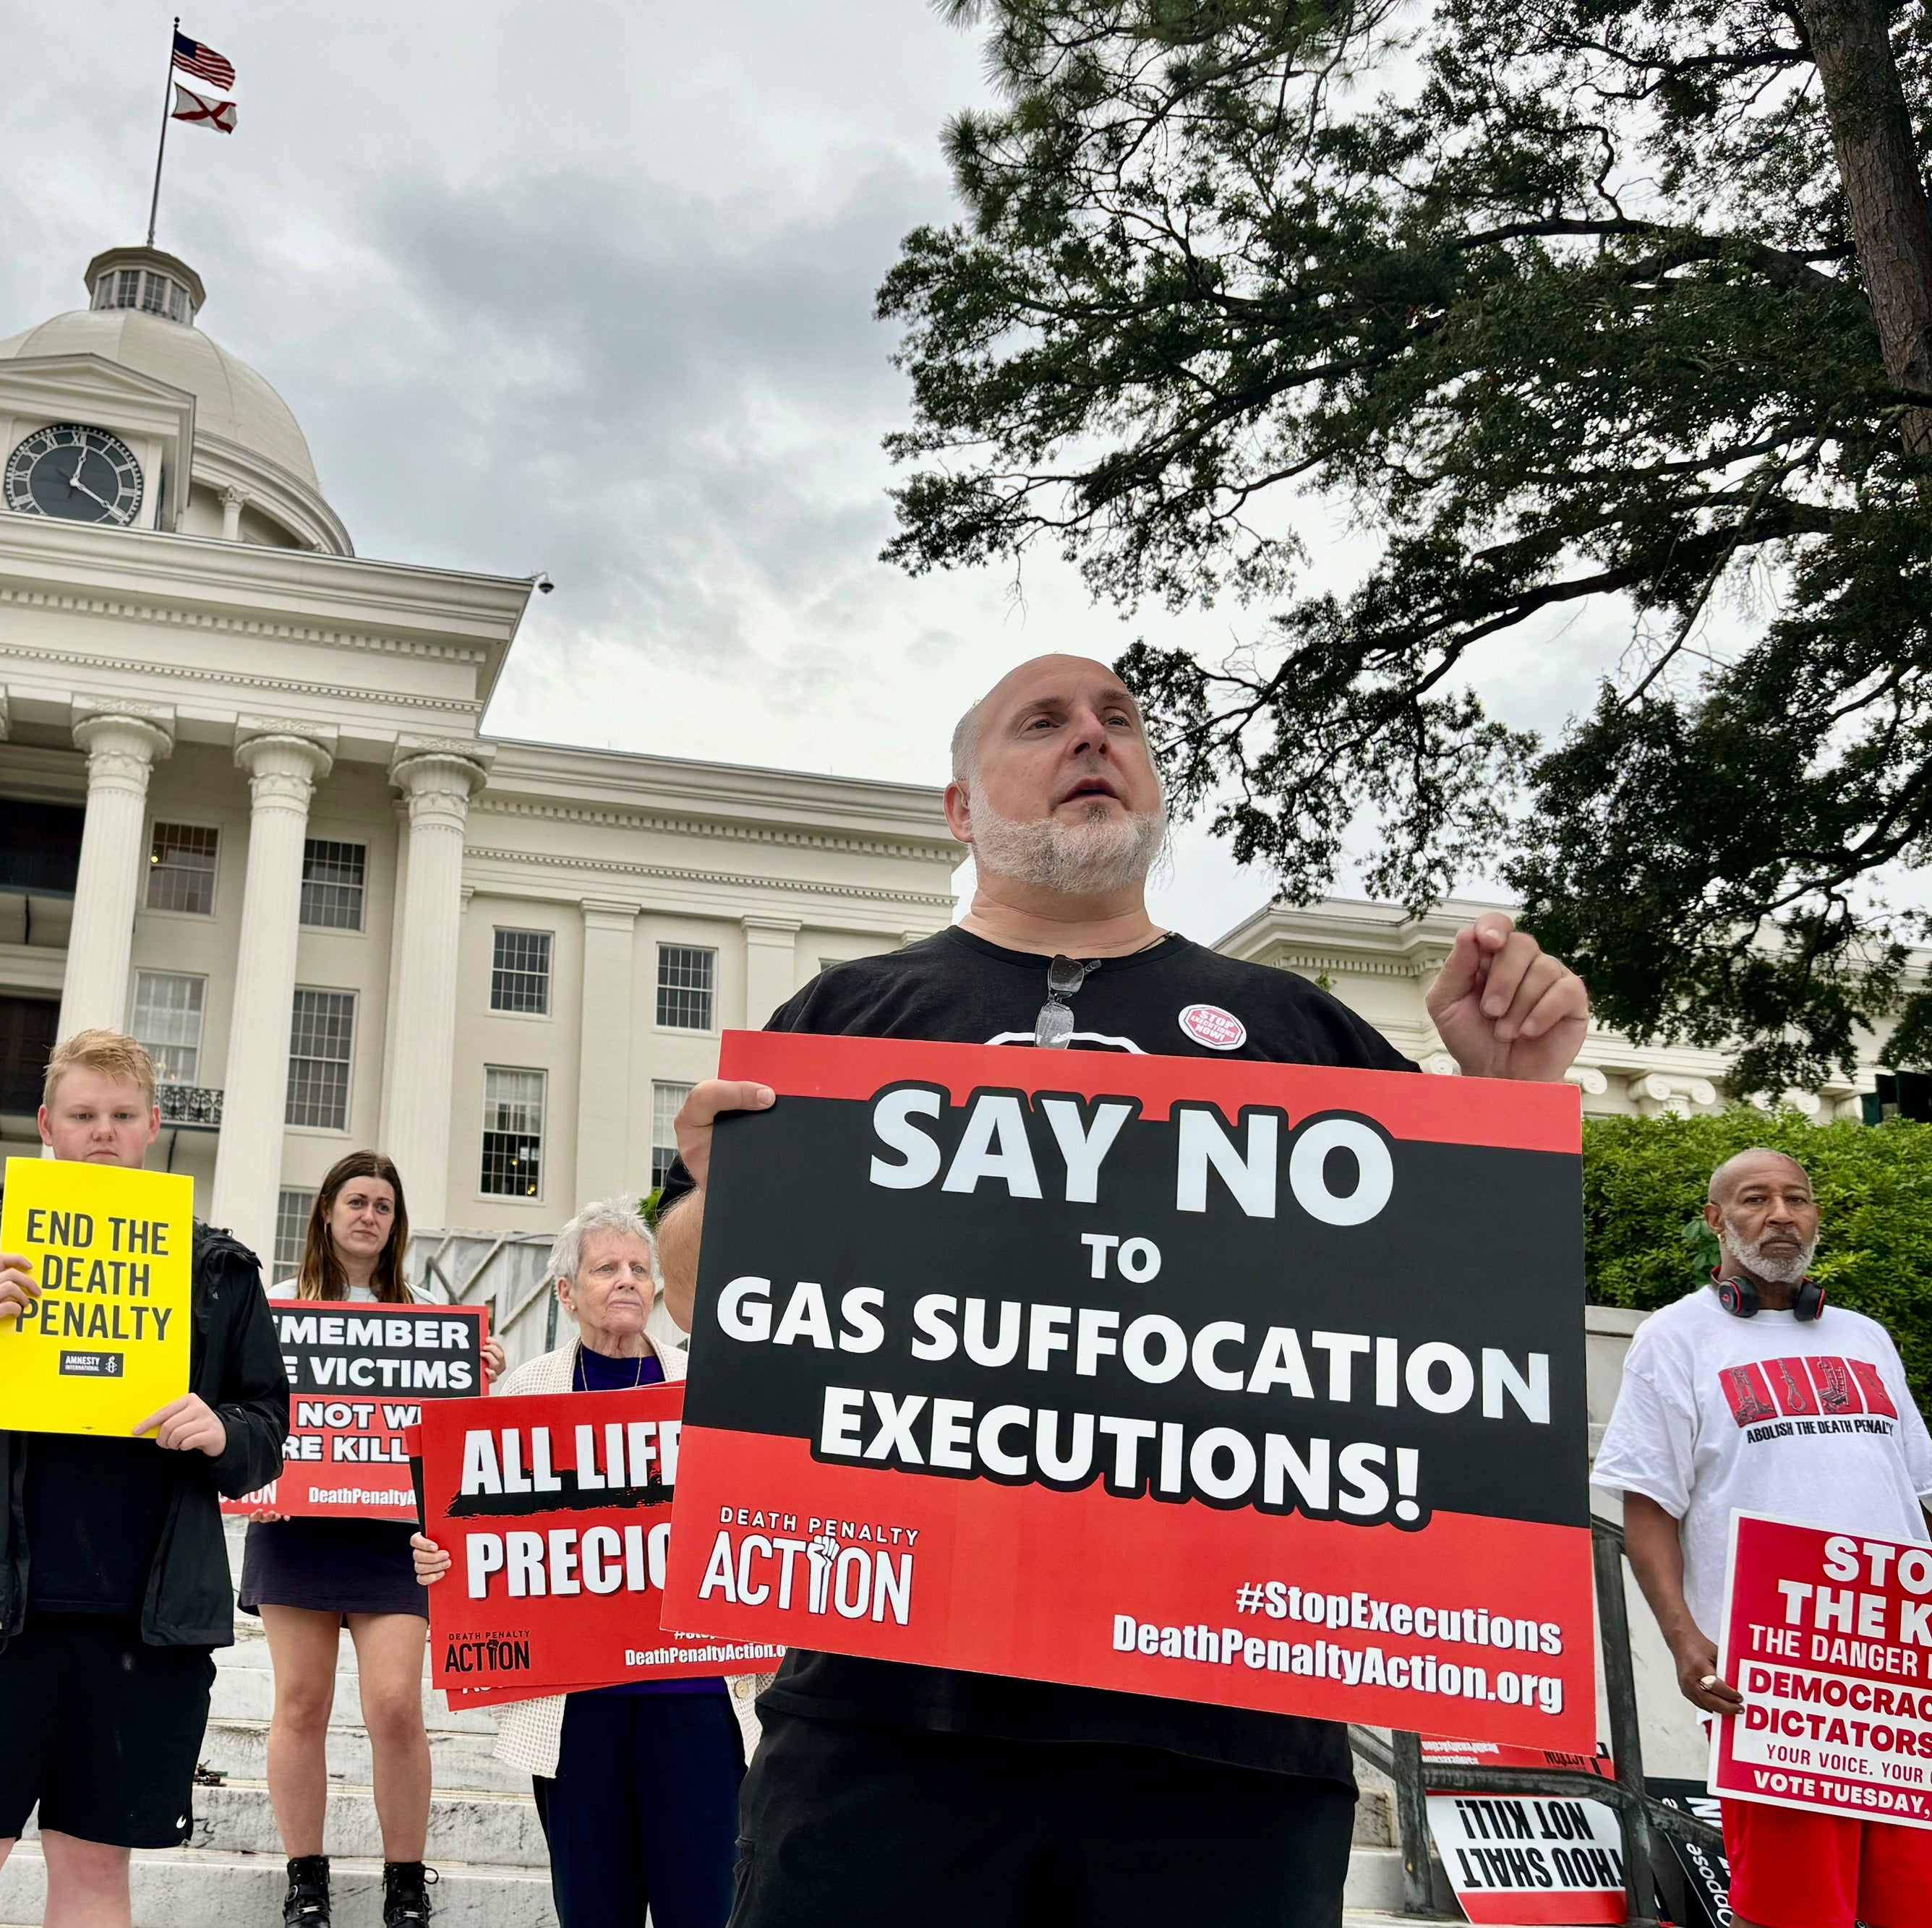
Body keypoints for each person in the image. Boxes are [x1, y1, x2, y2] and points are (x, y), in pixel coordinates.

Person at [656, 654, 1595, 1928]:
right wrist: (728, 1195)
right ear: (958, 806)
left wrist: (1505, 1103)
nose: (1092, 738)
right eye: (1042, 722)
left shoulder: (1297, 1028)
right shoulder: (845, 1019)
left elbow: (1460, 1333)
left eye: (1121, 722)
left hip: (1229, 1756)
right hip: (886, 1727)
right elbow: (715, 1313)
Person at [0, 1028, 288, 1928]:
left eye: (122, 1116)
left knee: (97, 1880)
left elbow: (267, 1437)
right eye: (85, 1115)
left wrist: (223, 1430)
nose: (103, 1132)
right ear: (47, 1125)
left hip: (144, 1622)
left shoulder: (217, 1271)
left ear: (154, 1127)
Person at [1593, 1147, 1932, 1928]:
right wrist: (1683, 1639)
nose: (1779, 1214)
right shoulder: (1674, 1339)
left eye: (1796, 1198)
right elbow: (1648, 1506)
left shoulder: (1866, 1338)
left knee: (1912, 1902)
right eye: (1754, 1199)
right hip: (1775, 1677)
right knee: (1792, 1909)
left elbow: (1916, 1494)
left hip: (1896, 1672)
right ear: (1715, 1220)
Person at [409, 1200, 756, 1928]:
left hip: (696, 1705)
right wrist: (442, 1559)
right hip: (575, 1714)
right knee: (595, 1912)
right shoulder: (519, 1397)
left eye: (639, 1268)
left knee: (707, 1911)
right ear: (566, 1293)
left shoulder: (710, 1395)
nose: (627, 1280)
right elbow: (478, 1538)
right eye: (606, 1268)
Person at [247, 1152, 505, 1928]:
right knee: (300, 1703)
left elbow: (454, 1437)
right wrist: (253, 1482)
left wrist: (478, 1375)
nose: (368, 1216)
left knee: (395, 1703)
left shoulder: (427, 1313)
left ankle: (403, 1882)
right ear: (326, 1211)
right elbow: (248, 1408)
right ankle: (306, 1879)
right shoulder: (274, 1306)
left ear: (395, 1224)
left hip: (394, 1535)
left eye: (383, 1207)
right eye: (355, 1201)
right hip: (296, 1528)